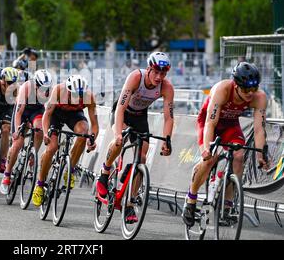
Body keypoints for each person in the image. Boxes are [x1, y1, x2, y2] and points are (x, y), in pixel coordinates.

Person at [182, 62, 270, 227]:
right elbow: (210, 123)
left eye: (254, 88)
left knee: (239, 155)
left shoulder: (260, 97)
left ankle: (227, 207)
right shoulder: (222, 90)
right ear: (236, 85)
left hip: (230, 124)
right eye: (245, 90)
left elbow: (259, 130)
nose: (251, 93)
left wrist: (260, 154)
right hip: (209, 122)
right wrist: (206, 148)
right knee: (209, 159)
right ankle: (191, 199)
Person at [96, 52, 174, 223]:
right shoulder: (135, 78)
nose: (159, 77)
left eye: (163, 73)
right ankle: (105, 172)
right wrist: (117, 133)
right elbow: (120, 109)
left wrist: (167, 140)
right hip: (123, 112)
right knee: (120, 140)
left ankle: (129, 203)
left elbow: (169, 117)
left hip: (140, 117)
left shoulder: (167, 87)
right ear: (148, 69)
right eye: (156, 72)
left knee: (142, 158)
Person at [32, 75, 99, 206]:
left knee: (84, 133)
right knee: (52, 148)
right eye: (74, 94)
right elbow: (47, 115)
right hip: (56, 115)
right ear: (68, 90)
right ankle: (39, 185)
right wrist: (46, 133)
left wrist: (92, 139)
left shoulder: (89, 97)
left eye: (80, 95)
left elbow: (94, 125)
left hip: (74, 116)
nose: (77, 98)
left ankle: (71, 169)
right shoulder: (58, 91)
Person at [0, 69, 52, 194]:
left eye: (46, 88)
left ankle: (33, 153)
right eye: (41, 87)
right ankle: (6, 174)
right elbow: (18, 112)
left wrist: (47, 132)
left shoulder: (50, 92)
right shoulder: (26, 88)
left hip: (37, 111)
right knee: (18, 143)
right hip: (22, 112)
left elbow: (48, 114)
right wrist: (17, 131)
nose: (43, 91)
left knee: (39, 129)